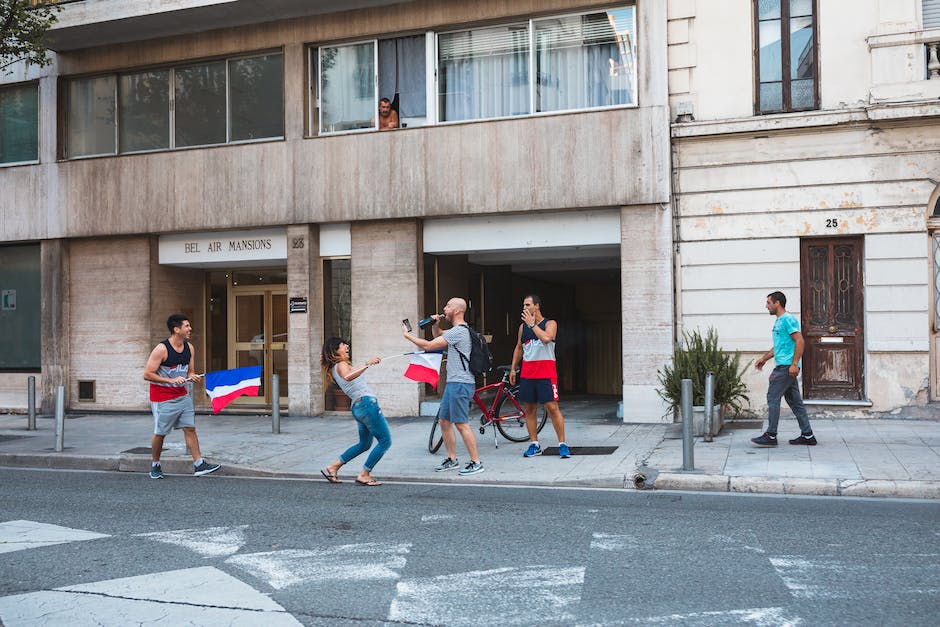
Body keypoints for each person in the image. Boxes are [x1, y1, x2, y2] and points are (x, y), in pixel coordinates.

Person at [402, 297, 484, 475]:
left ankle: (476, 462)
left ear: (457, 310)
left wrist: (407, 336)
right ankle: (452, 459)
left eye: (448, 306)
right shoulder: (456, 331)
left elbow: (430, 345)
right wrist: (434, 325)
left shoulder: (459, 331)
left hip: (461, 383)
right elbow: (439, 335)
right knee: (444, 421)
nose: (444, 308)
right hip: (454, 383)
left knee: (461, 424)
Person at [144, 314, 221, 479]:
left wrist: (192, 376)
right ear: (176, 329)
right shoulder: (161, 349)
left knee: (190, 428)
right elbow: (147, 374)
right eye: (187, 326)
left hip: (182, 396)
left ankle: (199, 464)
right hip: (162, 398)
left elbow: (190, 371)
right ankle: (155, 465)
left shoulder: (189, 348)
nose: (190, 329)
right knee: (160, 433)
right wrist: (170, 380)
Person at [751, 291, 817, 447]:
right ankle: (808, 435)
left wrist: (794, 364)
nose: (766, 306)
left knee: (772, 398)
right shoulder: (779, 321)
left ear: (777, 303)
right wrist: (764, 359)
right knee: (795, 402)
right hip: (786, 367)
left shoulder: (788, 320)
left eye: (768, 302)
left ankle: (771, 435)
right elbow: (779, 347)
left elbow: (800, 341)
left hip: (786, 368)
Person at [320, 338, 389, 486]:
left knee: (364, 444)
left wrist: (366, 365)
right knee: (385, 441)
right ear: (335, 349)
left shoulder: (337, 367)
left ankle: (333, 467)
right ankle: (365, 474)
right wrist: (367, 363)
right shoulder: (342, 364)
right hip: (366, 404)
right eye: (343, 345)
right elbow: (348, 376)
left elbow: (350, 374)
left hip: (358, 406)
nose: (347, 346)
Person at [509, 295, 571, 458]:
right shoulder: (523, 328)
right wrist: (513, 368)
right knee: (529, 409)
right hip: (528, 374)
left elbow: (546, 338)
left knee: (552, 408)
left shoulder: (550, 324)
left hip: (546, 374)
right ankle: (534, 444)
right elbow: (519, 348)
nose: (524, 307)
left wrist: (532, 324)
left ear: (536, 306)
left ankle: (562, 444)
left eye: (527, 304)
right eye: (523, 305)